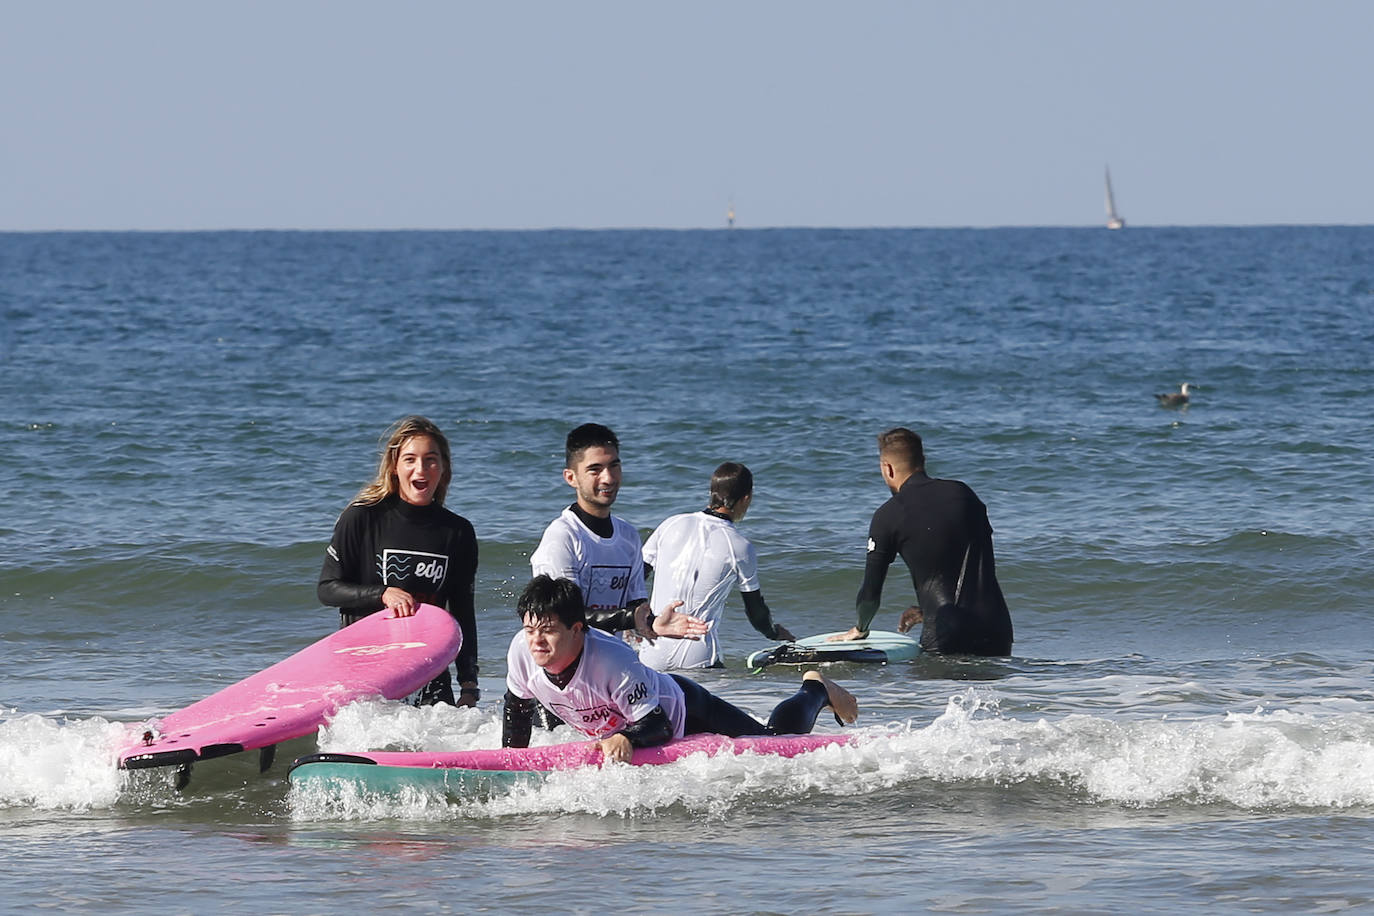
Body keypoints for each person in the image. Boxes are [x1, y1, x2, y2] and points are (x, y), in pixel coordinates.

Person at [502, 576, 857, 761]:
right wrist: (510, 765)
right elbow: (516, 710)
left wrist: (627, 737)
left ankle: (815, 689)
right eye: (530, 630)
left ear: (577, 629)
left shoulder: (612, 661)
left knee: (775, 747)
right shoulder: (521, 652)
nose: (536, 642)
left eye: (547, 631)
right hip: (642, 714)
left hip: (686, 706)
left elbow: (659, 724)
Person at [317, 416, 480, 706]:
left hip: (430, 669)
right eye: (410, 459)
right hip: (367, 666)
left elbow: (462, 610)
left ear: (443, 468)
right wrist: (382, 593)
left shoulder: (458, 531)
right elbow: (328, 588)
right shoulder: (363, 517)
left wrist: (469, 682)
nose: (421, 469)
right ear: (395, 466)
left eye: (431, 460)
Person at [830, 427, 1013, 656]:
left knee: (934, 691)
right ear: (922, 461)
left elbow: (870, 595)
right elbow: (970, 574)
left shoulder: (889, 515)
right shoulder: (965, 494)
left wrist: (860, 628)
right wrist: (928, 612)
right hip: (997, 628)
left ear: (887, 468)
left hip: (948, 635)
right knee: (991, 692)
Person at [529, 422, 707, 642]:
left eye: (614, 466)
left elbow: (636, 610)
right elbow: (564, 615)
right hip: (566, 667)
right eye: (595, 469)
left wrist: (653, 623)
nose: (608, 478)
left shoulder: (628, 536)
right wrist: (630, 619)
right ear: (570, 477)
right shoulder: (563, 536)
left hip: (612, 661)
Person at [638, 462, 796, 670]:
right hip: (698, 654)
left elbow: (635, 578)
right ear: (746, 498)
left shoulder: (670, 524)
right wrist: (773, 632)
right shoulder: (739, 546)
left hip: (653, 648)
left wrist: (635, 622)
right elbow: (755, 611)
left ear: (712, 492)